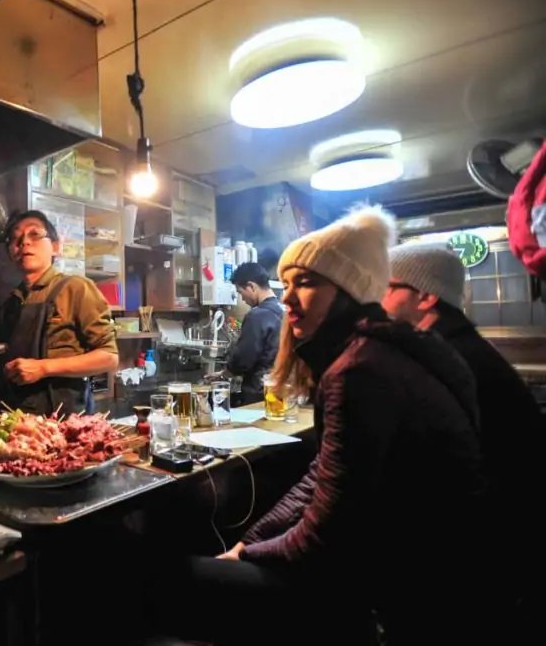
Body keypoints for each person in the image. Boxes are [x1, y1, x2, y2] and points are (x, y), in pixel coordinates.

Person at [150, 206, 491, 646]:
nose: (287, 298)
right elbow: (320, 479)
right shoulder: (388, 349)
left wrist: (246, 553)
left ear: (347, 290)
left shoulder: (359, 370)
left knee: (163, 582)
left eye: (306, 283)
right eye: (286, 283)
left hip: (403, 590)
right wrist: (250, 541)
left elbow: (328, 533)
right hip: (411, 566)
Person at [384, 242, 541, 634]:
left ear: (425, 296)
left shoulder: (445, 357)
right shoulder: (458, 344)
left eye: (387, 287)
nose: (376, 299)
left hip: (484, 554)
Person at [0, 210, 118, 416]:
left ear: (55, 247)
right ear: (10, 252)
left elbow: (109, 357)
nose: (24, 242)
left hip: (66, 422)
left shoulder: (76, 288)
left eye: (35, 235)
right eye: (15, 239)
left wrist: (44, 368)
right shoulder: (11, 303)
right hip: (21, 421)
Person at [224, 262, 283, 405]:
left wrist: (227, 372)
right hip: (280, 389)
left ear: (251, 286)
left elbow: (244, 357)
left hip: (257, 393)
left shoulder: (257, 315)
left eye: (240, 292)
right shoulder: (283, 312)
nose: (242, 299)